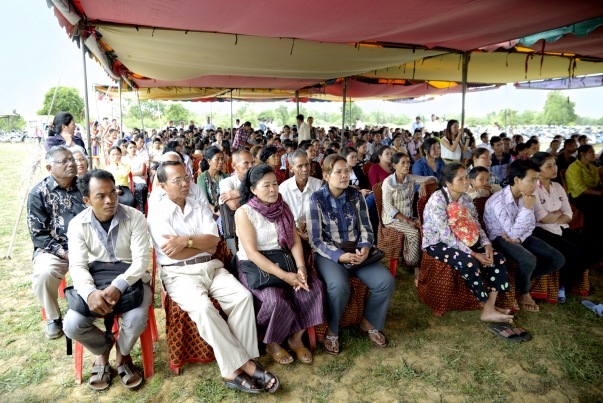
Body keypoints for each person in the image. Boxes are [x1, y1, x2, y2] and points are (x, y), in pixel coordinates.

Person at [148, 161, 279, 394]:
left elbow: (213, 243)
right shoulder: (157, 213)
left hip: (211, 266)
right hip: (179, 274)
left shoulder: (198, 205)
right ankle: (245, 366)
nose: (185, 183)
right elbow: (173, 253)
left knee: (242, 298)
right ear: (163, 186)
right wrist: (198, 244)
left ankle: (235, 366)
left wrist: (185, 241)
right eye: (177, 180)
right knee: (203, 308)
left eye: (186, 178)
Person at [63, 170, 150, 390]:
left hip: (132, 279)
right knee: (72, 325)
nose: (110, 200)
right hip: (95, 281)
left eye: (113, 193)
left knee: (137, 318)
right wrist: (90, 292)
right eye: (100, 196)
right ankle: (103, 348)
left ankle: (123, 354)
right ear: (87, 200)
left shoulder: (135, 217)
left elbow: (141, 261)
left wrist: (119, 285)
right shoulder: (77, 224)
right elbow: (78, 266)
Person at [235, 164, 324, 365]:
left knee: (312, 288)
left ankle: (295, 338)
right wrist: (285, 276)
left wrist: (300, 268)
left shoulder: (283, 207)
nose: (273, 189)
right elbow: (252, 253)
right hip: (257, 267)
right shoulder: (244, 212)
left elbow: (294, 241)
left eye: (275, 184)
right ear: (253, 189)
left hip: (285, 260)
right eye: (266, 185)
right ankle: (272, 343)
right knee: (275, 300)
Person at [307, 154, 395, 355]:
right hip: (329, 254)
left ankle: (369, 322)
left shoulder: (356, 195)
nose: (344, 175)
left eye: (346, 171)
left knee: (385, 282)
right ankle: (332, 329)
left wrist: (365, 247)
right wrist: (339, 256)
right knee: (339, 287)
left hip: (357, 251)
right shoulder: (316, 199)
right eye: (338, 172)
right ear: (326, 175)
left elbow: (366, 228)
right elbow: (316, 240)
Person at [422, 163, 514, 323]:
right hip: (438, 242)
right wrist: (474, 254)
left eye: (466, 177)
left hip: (465, 239)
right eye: (461, 179)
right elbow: (446, 236)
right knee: (470, 263)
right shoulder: (438, 199)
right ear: (448, 183)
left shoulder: (465, 198)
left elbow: (475, 225)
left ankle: (489, 307)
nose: (466, 182)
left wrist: (487, 245)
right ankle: (484, 305)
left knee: (497, 258)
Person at [484, 160, 565, 312]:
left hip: (520, 236)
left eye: (537, 180)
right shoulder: (498, 202)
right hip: (499, 238)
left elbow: (530, 225)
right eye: (532, 180)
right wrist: (527, 209)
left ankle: (520, 282)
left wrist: (520, 238)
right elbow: (510, 233)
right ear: (516, 180)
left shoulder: (527, 197)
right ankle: (523, 292)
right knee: (528, 260)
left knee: (558, 259)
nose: (536, 185)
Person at [27, 145, 86, 339]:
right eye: (64, 161)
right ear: (49, 168)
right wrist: (65, 253)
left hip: (89, 245)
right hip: (55, 249)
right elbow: (39, 235)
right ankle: (54, 317)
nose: (71, 164)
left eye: (72, 159)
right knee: (43, 275)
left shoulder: (86, 185)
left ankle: (97, 305)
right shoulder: (38, 193)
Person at [530, 152, 603, 302]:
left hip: (560, 227)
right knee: (574, 253)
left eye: (554, 164)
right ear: (538, 170)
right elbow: (542, 218)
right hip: (540, 230)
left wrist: (554, 216)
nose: (554, 168)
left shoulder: (557, 186)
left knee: (597, 249)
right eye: (549, 166)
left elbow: (568, 214)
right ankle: (563, 286)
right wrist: (556, 215)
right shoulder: (533, 189)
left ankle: (566, 280)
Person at [382, 152, 436, 283]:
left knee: (427, 228)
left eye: (408, 162)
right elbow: (388, 208)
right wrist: (408, 220)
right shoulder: (388, 182)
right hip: (392, 219)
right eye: (403, 163)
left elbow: (434, 179)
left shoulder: (410, 178)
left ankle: (425, 261)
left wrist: (423, 184)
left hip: (408, 216)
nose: (407, 165)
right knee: (414, 232)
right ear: (394, 165)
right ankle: (414, 265)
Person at [279, 150, 323, 241]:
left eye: (307, 164)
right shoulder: (283, 190)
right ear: (291, 168)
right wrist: (298, 234)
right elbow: (281, 219)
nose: (305, 169)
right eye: (300, 166)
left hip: (318, 232)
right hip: (291, 233)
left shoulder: (319, 186)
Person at [218, 149, 254, 254]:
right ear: (234, 165)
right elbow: (233, 205)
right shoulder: (226, 182)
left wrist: (239, 193)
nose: (251, 166)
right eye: (246, 163)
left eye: (252, 162)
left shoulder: (256, 180)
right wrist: (254, 195)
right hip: (234, 231)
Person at [565, 144, 603, 243]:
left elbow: (599, 184)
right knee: (595, 207)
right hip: (578, 196)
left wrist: (600, 191)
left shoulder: (592, 167)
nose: (593, 154)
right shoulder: (574, 168)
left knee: (597, 203)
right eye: (591, 152)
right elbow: (581, 189)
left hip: (593, 195)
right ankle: (591, 238)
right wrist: (600, 193)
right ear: (582, 154)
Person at [197, 146, 229, 219]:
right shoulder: (202, 178)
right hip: (212, 213)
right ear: (209, 161)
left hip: (227, 210)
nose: (221, 162)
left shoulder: (226, 177)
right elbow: (204, 201)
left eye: (222, 159)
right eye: (217, 159)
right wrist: (220, 214)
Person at [122, 141, 149, 214]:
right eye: (130, 148)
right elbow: (123, 172)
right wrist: (135, 173)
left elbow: (141, 172)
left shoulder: (141, 157)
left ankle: (141, 210)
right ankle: (129, 210)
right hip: (127, 180)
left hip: (139, 179)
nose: (133, 149)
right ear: (126, 149)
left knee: (140, 188)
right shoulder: (123, 159)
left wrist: (129, 173)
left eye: (134, 147)